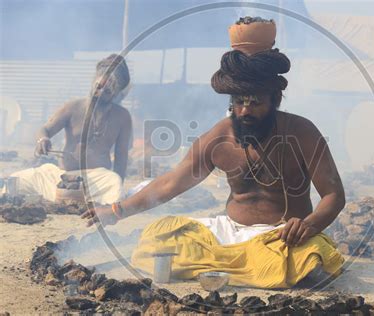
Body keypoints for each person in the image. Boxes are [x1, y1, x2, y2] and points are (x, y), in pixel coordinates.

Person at [83, 17, 345, 288]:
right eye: (239, 102)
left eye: (255, 102)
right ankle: (253, 270)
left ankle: (250, 268)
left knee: (314, 253)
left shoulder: (302, 132)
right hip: (228, 235)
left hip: (281, 239)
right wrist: (116, 211)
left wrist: (310, 225)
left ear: (274, 100)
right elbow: (172, 183)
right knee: (156, 237)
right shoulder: (219, 137)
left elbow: (334, 195)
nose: (245, 111)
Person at [11, 54, 132, 204]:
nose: (99, 92)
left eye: (106, 91)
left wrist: (118, 187)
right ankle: (65, 197)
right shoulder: (73, 106)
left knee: (113, 181)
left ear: (116, 94)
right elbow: (44, 129)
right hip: (59, 177)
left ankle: (77, 199)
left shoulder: (122, 117)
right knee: (16, 181)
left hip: (95, 181)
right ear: (93, 82)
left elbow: (121, 157)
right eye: (98, 86)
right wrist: (43, 139)